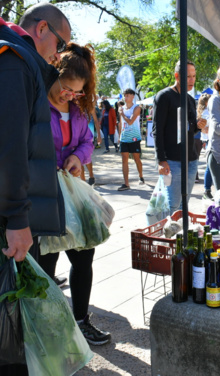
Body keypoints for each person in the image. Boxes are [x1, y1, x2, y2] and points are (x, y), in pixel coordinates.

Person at [0, 2, 71, 376]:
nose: (58, 56)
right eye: (60, 44)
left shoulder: (16, 55)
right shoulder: (15, 59)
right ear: (42, 28)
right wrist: (16, 217)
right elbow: (11, 146)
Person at [38, 42, 111, 346]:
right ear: (54, 75)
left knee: (84, 256)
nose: (70, 95)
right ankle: (46, 328)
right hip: (43, 196)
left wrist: (79, 158)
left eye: (76, 91)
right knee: (46, 263)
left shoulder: (80, 110)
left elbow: (88, 140)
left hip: (73, 193)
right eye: (66, 88)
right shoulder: (37, 103)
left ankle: (81, 320)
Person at [152, 60, 207, 214]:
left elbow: (190, 129)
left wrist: (198, 125)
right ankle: (169, 235)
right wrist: (161, 160)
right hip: (172, 160)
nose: (192, 80)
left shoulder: (190, 99)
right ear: (177, 76)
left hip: (191, 159)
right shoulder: (164, 96)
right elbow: (157, 130)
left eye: (194, 76)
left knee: (184, 205)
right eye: (188, 76)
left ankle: (181, 236)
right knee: (173, 206)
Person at [117, 88, 145, 190]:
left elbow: (130, 122)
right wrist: (120, 136)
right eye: (125, 95)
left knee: (136, 159)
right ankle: (126, 183)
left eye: (128, 95)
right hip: (124, 138)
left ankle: (141, 176)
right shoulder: (122, 108)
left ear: (133, 96)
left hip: (134, 138)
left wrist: (122, 114)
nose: (126, 97)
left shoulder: (136, 108)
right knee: (124, 160)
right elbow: (121, 123)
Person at [197, 93, 214, 199]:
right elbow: (205, 128)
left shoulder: (201, 112)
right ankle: (207, 189)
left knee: (210, 165)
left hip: (207, 139)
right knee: (210, 165)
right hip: (210, 139)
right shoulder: (207, 112)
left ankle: (207, 189)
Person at [81, 105, 102, 185]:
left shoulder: (90, 107)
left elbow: (96, 121)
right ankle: (83, 182)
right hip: (77, 135)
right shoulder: (74, 105)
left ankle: (91, 175)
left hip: (88, 136)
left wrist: (99, 136)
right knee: (78, 159)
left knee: (86, 157)